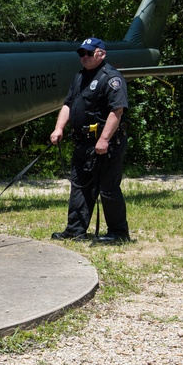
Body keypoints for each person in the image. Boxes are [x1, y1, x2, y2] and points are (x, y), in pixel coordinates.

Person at [49, 37, 131, 243]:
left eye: (88, 53)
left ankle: (118, 233)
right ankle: (75, 229)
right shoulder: (80, 77)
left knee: (108, 189)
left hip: (106, 145)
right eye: (81, 53)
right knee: (79, 186)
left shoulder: (111, 78)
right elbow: (68, 104)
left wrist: (104, 140)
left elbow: (117, 111)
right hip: (82, 143)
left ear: (101, 54)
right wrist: (59, 128)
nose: (84, 57)